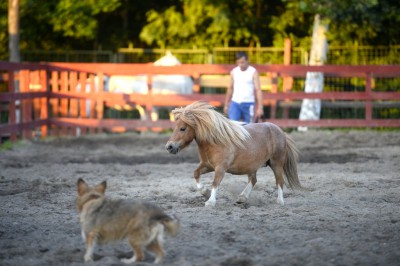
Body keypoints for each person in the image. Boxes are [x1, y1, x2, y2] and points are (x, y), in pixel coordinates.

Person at [224, 52, 264, 123]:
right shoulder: (234, 72)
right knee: (232, 125)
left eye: (242, 62)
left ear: (247, 60)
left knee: (249, 127)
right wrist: (226, 104)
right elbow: (230, 88)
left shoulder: (253, 72)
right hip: (235, 103)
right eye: (238, 63)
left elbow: (258, 90)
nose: (240, 65)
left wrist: (260, 107)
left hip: (249, 103)